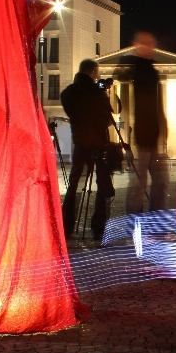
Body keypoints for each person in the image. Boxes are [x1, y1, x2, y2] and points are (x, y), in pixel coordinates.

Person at [61, 59, 116, 240]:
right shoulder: (96, 92)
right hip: (98, 144)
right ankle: (98, 227)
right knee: (101, 185)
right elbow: (109, 118)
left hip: (80, 143)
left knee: (75, 184)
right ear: (93, 72)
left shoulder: (67, 93)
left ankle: (66, 225)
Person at [116, 31, 169, 214]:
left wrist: (163, 130)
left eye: (152, 44)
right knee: (140, 183)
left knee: (161, 182)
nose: (151, 48)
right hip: (142, 136)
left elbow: (157, 106)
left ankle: (155, 219)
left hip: (153, 135)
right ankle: (134, 222)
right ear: (137, 45)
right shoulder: (136, 68)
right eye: (146, 44)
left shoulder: (150, 69)